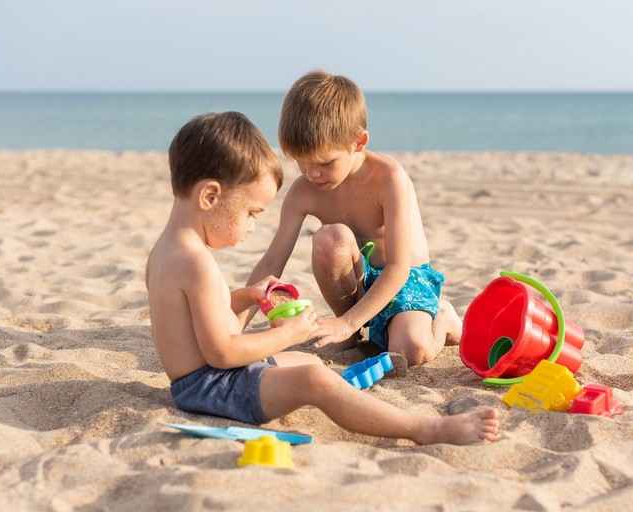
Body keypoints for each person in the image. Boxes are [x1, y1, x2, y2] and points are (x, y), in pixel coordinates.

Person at [145, 112, 499, 444]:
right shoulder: (198, 264)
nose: (251, 226)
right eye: (251, 213)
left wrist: (247, 296)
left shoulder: (166, 253)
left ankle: (355, 389)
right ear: (209, 196)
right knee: (316, 380)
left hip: (197, 382)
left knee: (313, 363)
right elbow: (222, 351)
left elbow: (199, 320)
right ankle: (424, 428)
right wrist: (287, 335)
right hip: (214, 388)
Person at [243, 70, 463, 366]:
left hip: (403, 279)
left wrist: (349, 321)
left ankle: (444, 318)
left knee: (410, 352)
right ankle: (349, 332)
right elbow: (271, 264)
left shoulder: (388, 178)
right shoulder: (303, 191)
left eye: (324, 162)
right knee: (330, 239)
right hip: (357, 285)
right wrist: (235, 327)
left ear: (358, 142)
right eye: (301, 162)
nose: (311, 173)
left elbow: (398, 268)